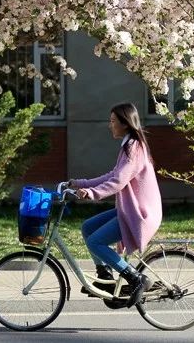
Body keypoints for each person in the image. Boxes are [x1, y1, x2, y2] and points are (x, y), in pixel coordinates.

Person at [68, 102, 163, 308]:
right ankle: (106, 277)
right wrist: (81, 183)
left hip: (139, 214)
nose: (110, 125)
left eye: (113, 121)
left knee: (95, 242)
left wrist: (91, 193)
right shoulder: (128, 147)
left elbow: (118, 182)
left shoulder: (134, 148)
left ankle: (136, 278)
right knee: (87, 228)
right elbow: (113, 175)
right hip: (129, 210)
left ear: (125, 124)